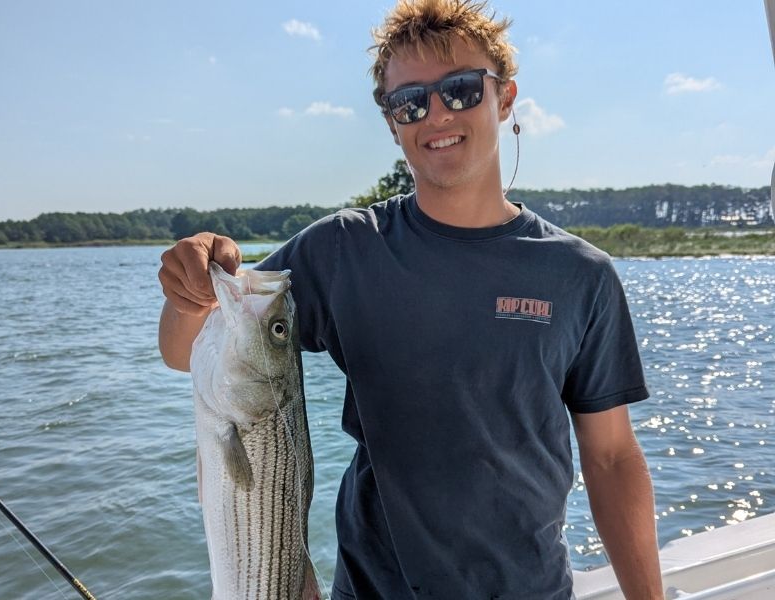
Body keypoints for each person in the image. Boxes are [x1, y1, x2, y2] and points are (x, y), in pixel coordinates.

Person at [158, 0, 664, 598]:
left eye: (461, 89)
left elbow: (609, 458)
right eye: (410, 101)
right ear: (392, 122)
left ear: (504, 99)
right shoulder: (344, 249)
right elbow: (188, 351)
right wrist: (189, 295)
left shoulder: (581, 276)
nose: (437, 113)